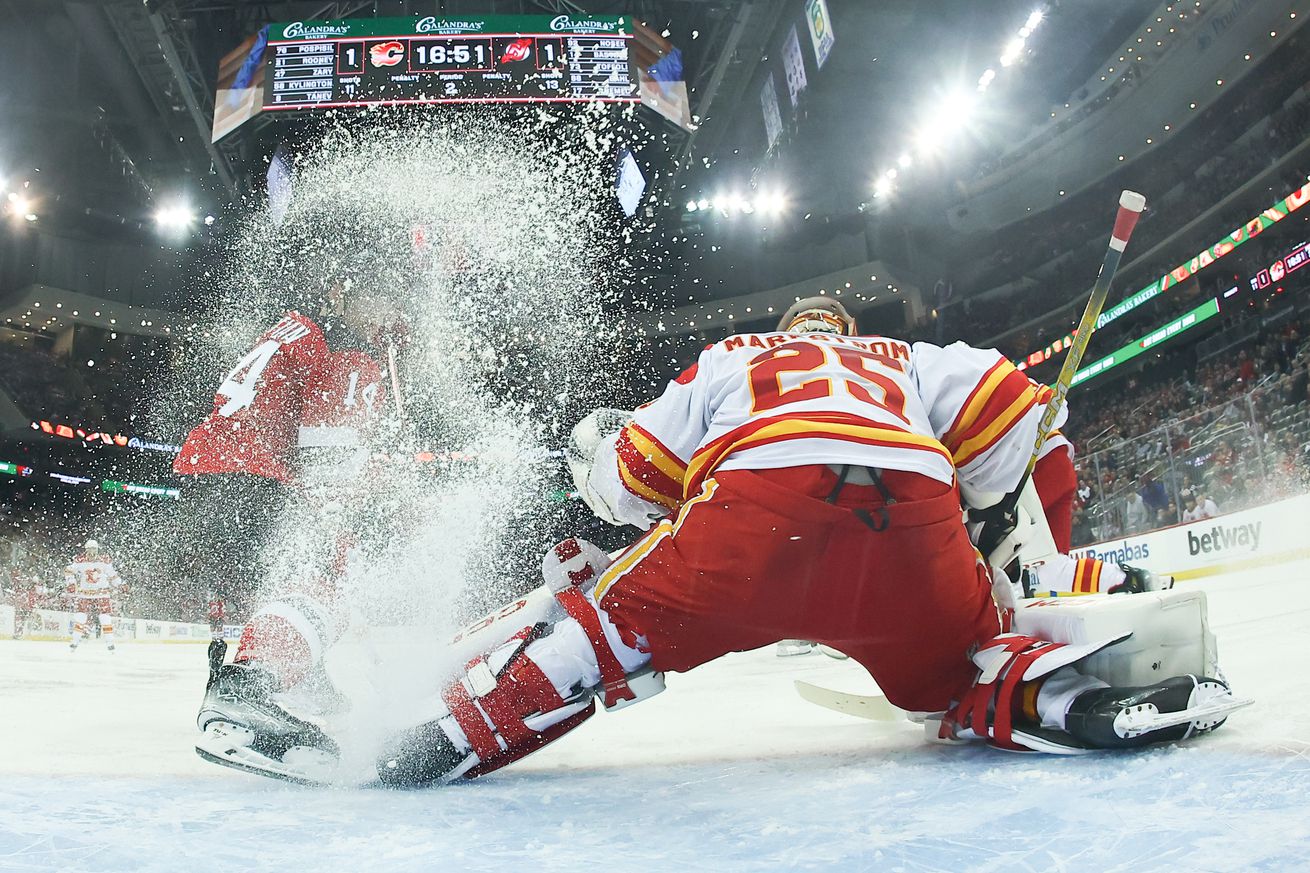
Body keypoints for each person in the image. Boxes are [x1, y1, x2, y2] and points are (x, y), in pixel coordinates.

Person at [184, 276, 406, 771]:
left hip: (211, 471)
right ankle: (244, 686)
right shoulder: (348, 352)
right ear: (340, 295)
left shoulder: (298, 329)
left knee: (295, 584)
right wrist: (344, 529)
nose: (387, 317)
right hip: (255, 474)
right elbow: (328, 457)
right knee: (326, 584)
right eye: (381, 298)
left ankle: (301, 677)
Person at [63, 540, 126, 652]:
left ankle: (110, 643)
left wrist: (121, 584)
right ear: (86, 550)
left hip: (102, 594)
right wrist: (71, 582)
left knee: (105, 617)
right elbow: (68, 571)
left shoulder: (104, 561)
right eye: (90, 549)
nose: (92, 552)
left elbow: (112, 575)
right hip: (85, 594)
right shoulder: (80, 561)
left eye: (94, 549)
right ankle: (75, 642)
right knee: (81, 617)